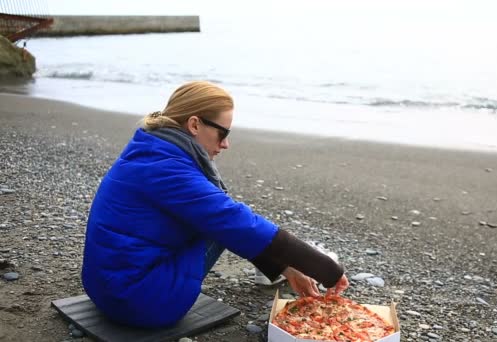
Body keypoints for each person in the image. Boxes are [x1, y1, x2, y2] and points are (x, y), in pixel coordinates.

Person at [81, 81, 349, 328]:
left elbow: (224, 220)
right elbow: (234, 223)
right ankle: (281, 267)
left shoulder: (150, 149)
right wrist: (328, 270)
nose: (226, 144)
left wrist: (287, 266)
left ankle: (279, 269)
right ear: (195, 125)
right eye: (222, 133)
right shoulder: (168, 169)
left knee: (219, 217)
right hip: (140, 303)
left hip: (108, 287)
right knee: (226, 219)